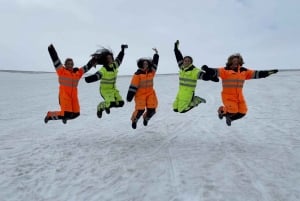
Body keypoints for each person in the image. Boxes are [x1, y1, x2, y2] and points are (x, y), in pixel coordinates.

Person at [202, 53, 278, 126]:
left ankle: (230, 119)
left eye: (237, 61)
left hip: (239, 96)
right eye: (234, 61)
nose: (236, 62)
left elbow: (255, 74)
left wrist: (267, 73)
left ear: (240, 62)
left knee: (243, 111)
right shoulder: (225, 70)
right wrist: (208, 69)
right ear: (230, 61)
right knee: (233, 110)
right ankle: (221, 111)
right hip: (228, 96)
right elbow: (216, 71)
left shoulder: (243, 71)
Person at [44, 44, 97, 124]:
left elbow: (86, 67)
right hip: (64, 97)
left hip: (73, 98)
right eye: (68, 64)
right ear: (65, 65)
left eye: (71, 64)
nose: (70, 65)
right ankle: (50, 115)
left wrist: (93, 60)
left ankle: (65, 117)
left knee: (76, 114)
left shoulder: (77, 74)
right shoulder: (61, 72)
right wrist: (51, 50)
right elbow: (56, 60)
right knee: (66, 114)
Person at [173, 40, 219, 113]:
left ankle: (197, 100)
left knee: (182, 110)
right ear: (183, 61)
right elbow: (178, 56)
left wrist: (210, 76)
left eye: (189, 61)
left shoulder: (194, 71)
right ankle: (191, 101)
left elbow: (204, 76)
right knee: (175, 108)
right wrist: (176, 48)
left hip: (188, 92)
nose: (186, 62)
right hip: (180, 91)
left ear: (191, 62)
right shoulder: (181, 67)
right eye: (185, 60)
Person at [85, 44, 128, 118]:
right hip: (105, 91)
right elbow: (98, 75)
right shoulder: (104, 69)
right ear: (105, 60)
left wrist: (122, 50)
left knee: (121, 103)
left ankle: (106, 106)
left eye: (111, 58)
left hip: (113, 90)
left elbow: (119, 58)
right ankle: (100, 107)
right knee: (110, 103)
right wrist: (88, 79)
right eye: (108, 58)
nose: (110, 59)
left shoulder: (114, 65)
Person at [126, 48, 159, 129]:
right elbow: (133, 86)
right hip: (140, 95)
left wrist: (156, 54)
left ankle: (146, 118)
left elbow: (155, 64)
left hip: (150, 94)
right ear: (140, 65)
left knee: (152, 109)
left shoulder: (151, 72)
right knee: (140, 110)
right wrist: (129, 96)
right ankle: (134, 120)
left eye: (146, 64)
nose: (145, 65)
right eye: (144, 64)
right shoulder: (137, 75)